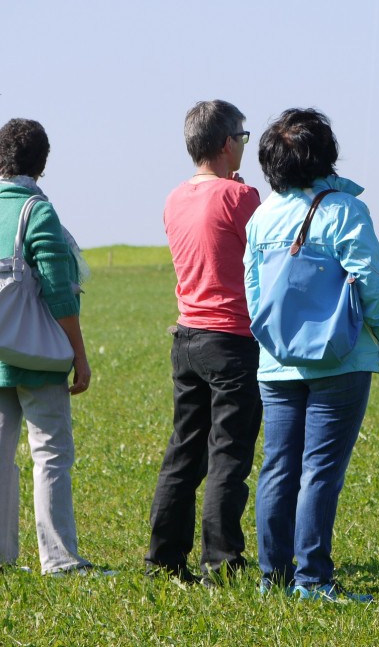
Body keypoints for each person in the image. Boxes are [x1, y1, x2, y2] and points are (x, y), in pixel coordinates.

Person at [244, 108, 379, 603]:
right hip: (341, 357)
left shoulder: (262, 216)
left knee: (277, 467)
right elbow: (372, 282)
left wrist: (271, 342)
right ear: (326, 155)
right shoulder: (344, 210)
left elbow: (253, 292)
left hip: (276, 361)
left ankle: (272, 578)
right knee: (321, 469)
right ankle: (313, 580)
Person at [0, 118, 107, 576]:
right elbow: (59, 293)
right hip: (38, 354)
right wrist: (78, 355)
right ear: (43, 164)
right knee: (51, 453)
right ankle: (60, 560)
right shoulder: (39, 212)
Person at [145, 100, 263, 584]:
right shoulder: (241, 197)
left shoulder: (174, 198)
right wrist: (242, 193)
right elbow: (263, 252)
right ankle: (221, 563)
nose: (244, 146)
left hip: (187, 337)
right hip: (231, 338)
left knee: (184, 452)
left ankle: (163, 559)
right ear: (226, 143)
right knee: (228, 455)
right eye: (243, 137)